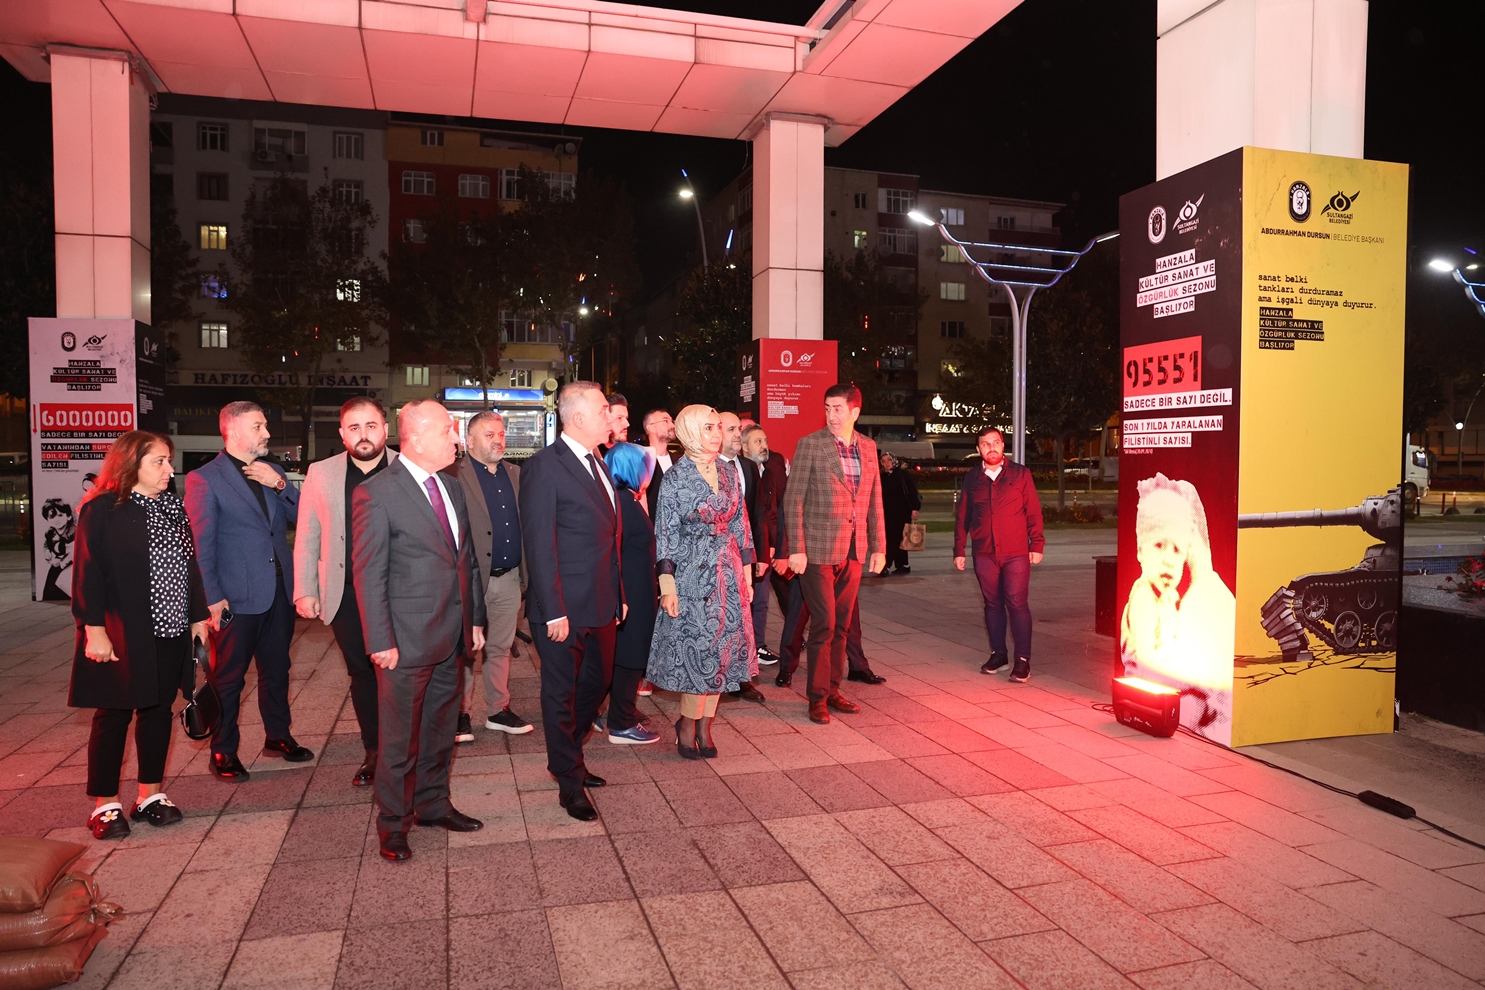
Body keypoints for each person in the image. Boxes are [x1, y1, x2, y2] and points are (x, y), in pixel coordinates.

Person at [353, 399, 488, 861]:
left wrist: (475, 621)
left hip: (451, 635)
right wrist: (380, 640)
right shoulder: (377, 492)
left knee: (438, 731)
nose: (456, 438)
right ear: (417, 437)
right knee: (398, 739)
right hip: (405, 642)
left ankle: (432, 803)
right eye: (450, 431)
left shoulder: (451, 488)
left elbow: (465, 561)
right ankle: (393, 823)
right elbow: (368, 574)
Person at [70, 432, 210, 839]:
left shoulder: (172, 506)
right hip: (121, 631)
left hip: (170, 628)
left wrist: (197, 617)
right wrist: (93, 630)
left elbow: (190, 564)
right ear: (131, 466)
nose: (169, 470)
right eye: (159, 463)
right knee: (113, 712)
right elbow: (86, 574)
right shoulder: (102, 509)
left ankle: (150, 795)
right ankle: (105, 804)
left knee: (157, 709)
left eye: (168, 461)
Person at [519, 381, 624, 822]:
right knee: (561, 694)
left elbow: (608, 536)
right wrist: (555, 608)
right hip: (562, 607)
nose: (612, 416)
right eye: (604, 410)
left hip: (601, 601)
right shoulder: (545, 466)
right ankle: (567, 778)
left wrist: (618, 595)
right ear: (578, 417)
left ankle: (573, 756)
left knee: (596, 685)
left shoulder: (596, 460)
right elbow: (540, 545)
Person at [186, 401, 307, 780]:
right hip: (235, 597)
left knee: (278, 669)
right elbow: (201, 545)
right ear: (233, 430)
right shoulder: (205, 478)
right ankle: (223, 750)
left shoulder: (271, 471)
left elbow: (303, 516)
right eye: (258, 426)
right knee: (230, 678)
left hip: (278, 590)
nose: (267, 433)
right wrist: (212, 597)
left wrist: (281, 484)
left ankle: (278, 736)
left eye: (265, 425)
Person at [294, 398, 396, 788]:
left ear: (385, 428)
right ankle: (375, 751)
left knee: (399, 674)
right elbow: (307, 535)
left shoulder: (407, 468)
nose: (363, 434)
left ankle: (403, 748)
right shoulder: (321, 473)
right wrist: (305, 589)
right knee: (362, 674)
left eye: (371, 425)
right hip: (346, 595)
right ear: (341, 433)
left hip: (398, 595)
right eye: (354, 427)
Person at [647, 406, 757, 758]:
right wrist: (668, 587)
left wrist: (748, 575)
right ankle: (687, 723)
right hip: (692, 574)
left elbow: (742, 523)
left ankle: (705, 726)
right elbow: (665, 534)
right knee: (699, 654)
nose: (715, 433)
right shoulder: (676, 478)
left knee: (723, 653)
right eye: (707, 427)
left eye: (716, 428)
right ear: (690, 431)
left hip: (728, 572)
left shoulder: (728, 472)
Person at [781, 384, 885, 724]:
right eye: (827, 408)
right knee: (824, 623)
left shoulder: (868, 448)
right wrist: (796, 548)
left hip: (854, 550)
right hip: (817, 549)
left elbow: (874, 501)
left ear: (855, 411)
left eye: (838, 409)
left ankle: (834, 689)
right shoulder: (811, 445)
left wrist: (879, 547)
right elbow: (793, 499)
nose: (831, 415)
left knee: (842, 626)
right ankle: (817, 698)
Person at [1119, 472, 1235, 734]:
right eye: (1159, 545)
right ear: (1140, 550)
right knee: (1197, 702)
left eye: (1177, 550)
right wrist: (1201, 682)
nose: (1169, 560)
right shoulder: (1143, 596)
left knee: (1201, 702)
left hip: (1167, 687)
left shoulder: (1169, 597)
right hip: (1147, 687)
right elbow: (1151, 666)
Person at [446, 411, 534, 742]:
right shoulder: (454, 474)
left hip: (510, 578)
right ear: (469, 441)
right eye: (488, 435)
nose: (498, 440)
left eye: (500, 434)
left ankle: (498, 710)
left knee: (499, 646)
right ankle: (460, 714)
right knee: (467, 648)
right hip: (471, 580)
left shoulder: (516, 474)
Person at [954, 426, 1045, 682]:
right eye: (985, 444)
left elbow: (1034, 512)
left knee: (1016, 604)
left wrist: (1036, 544)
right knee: (992, 605)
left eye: (995, 442)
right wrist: (959, 549)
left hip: (1016, 553)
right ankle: (999, 654)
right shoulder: (972, 479)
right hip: (984, 553)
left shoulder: (1020, 474)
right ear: (978, 449)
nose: (991, 447)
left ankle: (1022, 660)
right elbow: (963, 516)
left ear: (1003, 445)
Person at [602, 442, 662, 745]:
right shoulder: (624, 502)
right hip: (632, 593)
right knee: (630, 659)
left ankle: (612, 714)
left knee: (622, 658)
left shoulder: (619, 499)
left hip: (632, 590)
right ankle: (621, 723)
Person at [718, 411, 766, 703]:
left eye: (739, 428)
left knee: (744, 620)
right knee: (722, 622)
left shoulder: (748, 467)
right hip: (718, 560)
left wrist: (758, 555)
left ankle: (742, 678)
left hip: (744, 557)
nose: (739, 434)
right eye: (732, 428)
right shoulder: (705, 468)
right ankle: (719, 677)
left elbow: (758, 515)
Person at [742, 423, 784, 668]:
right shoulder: (738, 473)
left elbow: (772, 513)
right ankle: (744, 648)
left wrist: (772, 545)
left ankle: (757, 645)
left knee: (761, 601)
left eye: (765, 440)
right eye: (758, 441)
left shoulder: (769, 474)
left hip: (764, 547)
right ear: (744, 446)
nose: (764, 445)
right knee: (744, 600)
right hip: (745, 548)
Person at [880, 452, 922, 575]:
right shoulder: (883, 476)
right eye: (883, 461)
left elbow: (912, 492)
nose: (886, 463)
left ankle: (885, 566)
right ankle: (903, 565)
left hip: (902, 513)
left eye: (888, 460)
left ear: (894, 461)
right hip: (887, 513)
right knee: (899, 540)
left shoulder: (903, 474)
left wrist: (915, 508)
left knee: (893, 539)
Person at [640, 408, 677, 519]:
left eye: (672, 421)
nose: (672, 425)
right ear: (651, 427)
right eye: (665, 421)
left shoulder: (679, 461)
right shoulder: (641, 462)